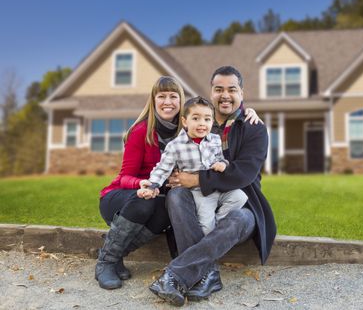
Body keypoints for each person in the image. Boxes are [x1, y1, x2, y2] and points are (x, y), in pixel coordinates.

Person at [96, 75, 260, 290]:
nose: (167, 102)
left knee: (167, 208)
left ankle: (119, 255)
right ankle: (106, 261)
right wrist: (144, 184)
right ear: (153, 100)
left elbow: (218, 112)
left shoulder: (190, 129)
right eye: (161, 96)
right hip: (124, 196)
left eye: (173, 96)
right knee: (147, 201)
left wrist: (247, 111)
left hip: (159, 197)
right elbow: (123, 177)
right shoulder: (141, 132)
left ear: (181, 104)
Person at [149, 66, 277, 306]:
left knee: (240, 219)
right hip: (197, 202)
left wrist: (197, 178)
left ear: (242, 92)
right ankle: (208, 275)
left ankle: (176, 274)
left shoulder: (253, 127)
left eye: (232, 89)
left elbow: (244, 175)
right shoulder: (198, 119)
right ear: (211, 92)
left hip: (240, 203)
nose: (225, 95)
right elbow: (163, 117)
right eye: (219, 89)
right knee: (176, 196)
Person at [141, 96, 247, 236]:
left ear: (212, 121)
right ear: (185, 121)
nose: (202, 123)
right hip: (200, 193)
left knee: (240, 196)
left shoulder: (215, 140)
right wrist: (152, 186)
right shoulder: (175, 146)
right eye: (196, 118)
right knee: (206, 229)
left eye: (207, 119)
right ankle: (210, 233)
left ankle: (220, 222)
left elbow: (220, 158)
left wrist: (223, 164)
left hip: (218, 187)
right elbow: (162, 168)